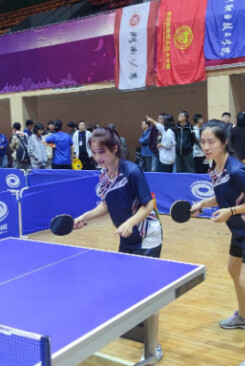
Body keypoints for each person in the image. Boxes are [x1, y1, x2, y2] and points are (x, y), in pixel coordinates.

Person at [73, 127, 163, 362]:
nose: (97, 157)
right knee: (127, 284)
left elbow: (149, 204)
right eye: (94, 153)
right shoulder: (104, 175)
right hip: (126, 236)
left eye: (101, 152)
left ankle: (153, 346)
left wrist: (131, 222)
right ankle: (137, 327)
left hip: (146, 235)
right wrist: (84, 217)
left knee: (146, 291)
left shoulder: (131, 172)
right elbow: (106, 205)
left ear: (114, 148)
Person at [190, 121, 245, 366]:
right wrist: (202, 204)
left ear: (224, 142)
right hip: (240, 229)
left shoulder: (237, 170)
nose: (206, 146)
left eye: (211, 142)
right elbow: (224, 196)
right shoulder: (215, 167)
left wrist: (231, 211)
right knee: (233, 269)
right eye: (203, 142)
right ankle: (243, 316)